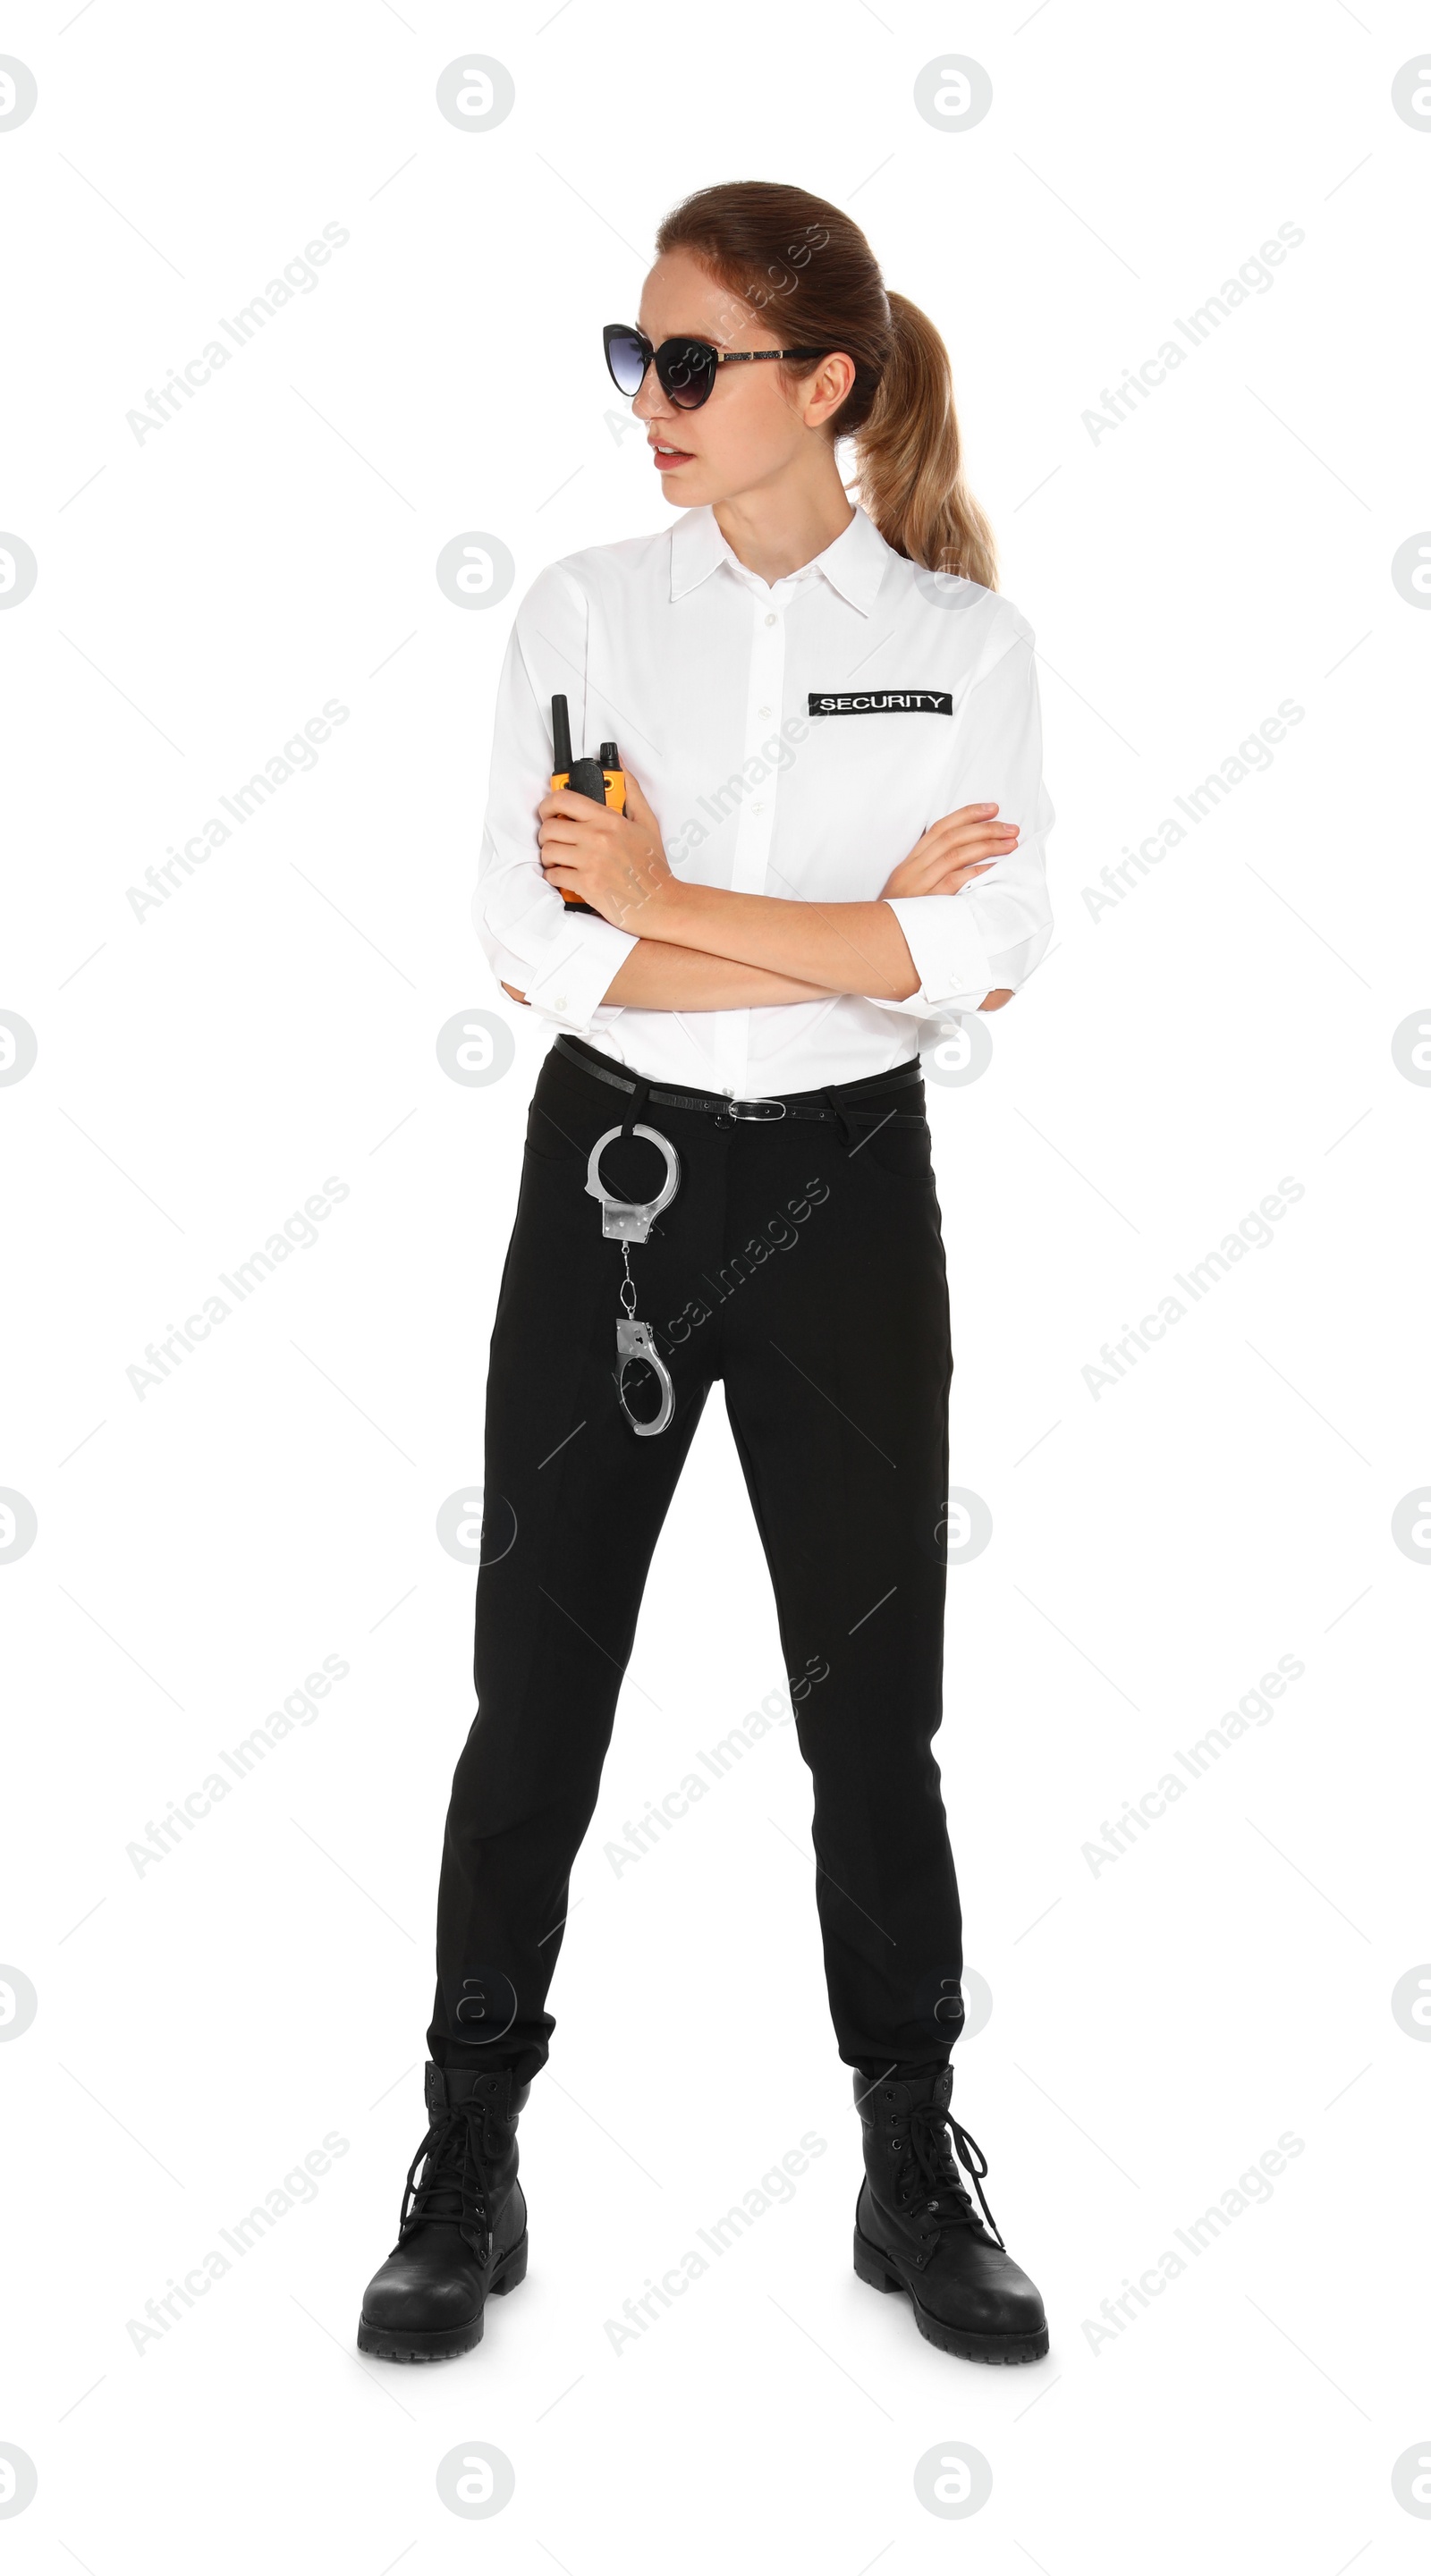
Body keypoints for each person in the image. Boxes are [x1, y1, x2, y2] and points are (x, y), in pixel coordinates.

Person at [358, 180, 1054, 2368]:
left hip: (850, 1204)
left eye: (687, 366)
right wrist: (828, 930)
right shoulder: (579, 612)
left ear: (817, 385)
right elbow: (534, 941)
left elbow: (987, 956)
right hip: (618, 1193)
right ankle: (467, 2148)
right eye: (631, 360)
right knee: (533, 1693)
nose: (645, 404)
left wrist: (674, 889)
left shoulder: (961, 646)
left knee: (876, 1711)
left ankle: (906, 2148)